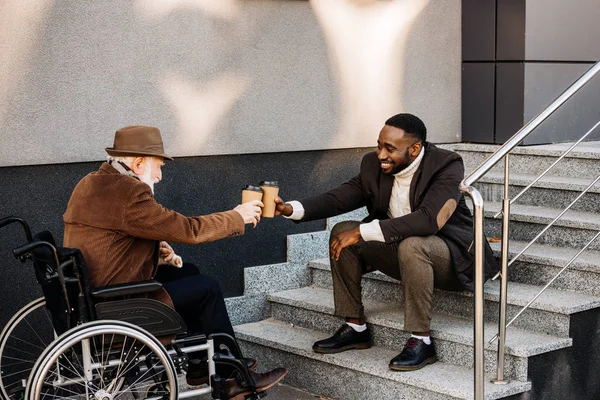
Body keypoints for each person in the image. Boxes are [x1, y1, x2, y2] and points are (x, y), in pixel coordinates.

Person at [63, 125, 287, 398]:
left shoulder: (91, 182)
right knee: (207, 288)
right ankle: (232, 378)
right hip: (117, 304)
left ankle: (200, 364)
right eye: (158, 166)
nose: (159, 175)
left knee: (188, 272)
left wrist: (151, 248)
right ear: (138, 162)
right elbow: (188, 229)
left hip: (94, 294)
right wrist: (236, 216)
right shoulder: (129, 192)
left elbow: (107, 239)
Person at [275, 113, 498, 371]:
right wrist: (291, 209)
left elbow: (428, 221)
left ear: (415, 149)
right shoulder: (373, 165)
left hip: (453, 257)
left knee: (412, 244)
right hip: (404, 252)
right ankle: (355, 326)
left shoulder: (445, 165)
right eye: (379, 145)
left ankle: (421, 340)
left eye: (389, 149)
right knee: (342, 231)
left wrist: (364, 231)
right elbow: (338, 198)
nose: (381, 154)